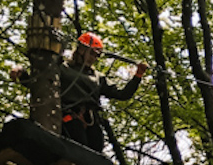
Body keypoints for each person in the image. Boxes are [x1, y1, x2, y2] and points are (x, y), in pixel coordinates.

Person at [12, 32, 148, 153]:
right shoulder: (62, 68)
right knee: (78, 151)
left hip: (92, 120)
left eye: (96, 55)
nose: (93, 58)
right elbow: (39, 85)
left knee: (96, 155)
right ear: (80, 50)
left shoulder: (98, 78)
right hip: (71, 117)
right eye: (92, 53)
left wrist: (138, 76)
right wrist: (22, 73)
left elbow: (122, 94)